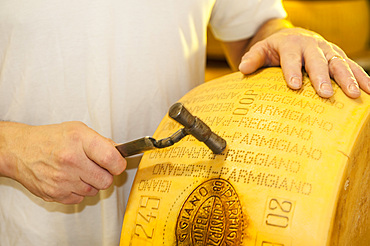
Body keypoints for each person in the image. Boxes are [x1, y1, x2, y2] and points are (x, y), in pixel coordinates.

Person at [0, 0, 368, 245]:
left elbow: (254, 29)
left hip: (177, 221)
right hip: (26, 229)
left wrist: (281, 36)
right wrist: (12, 149)